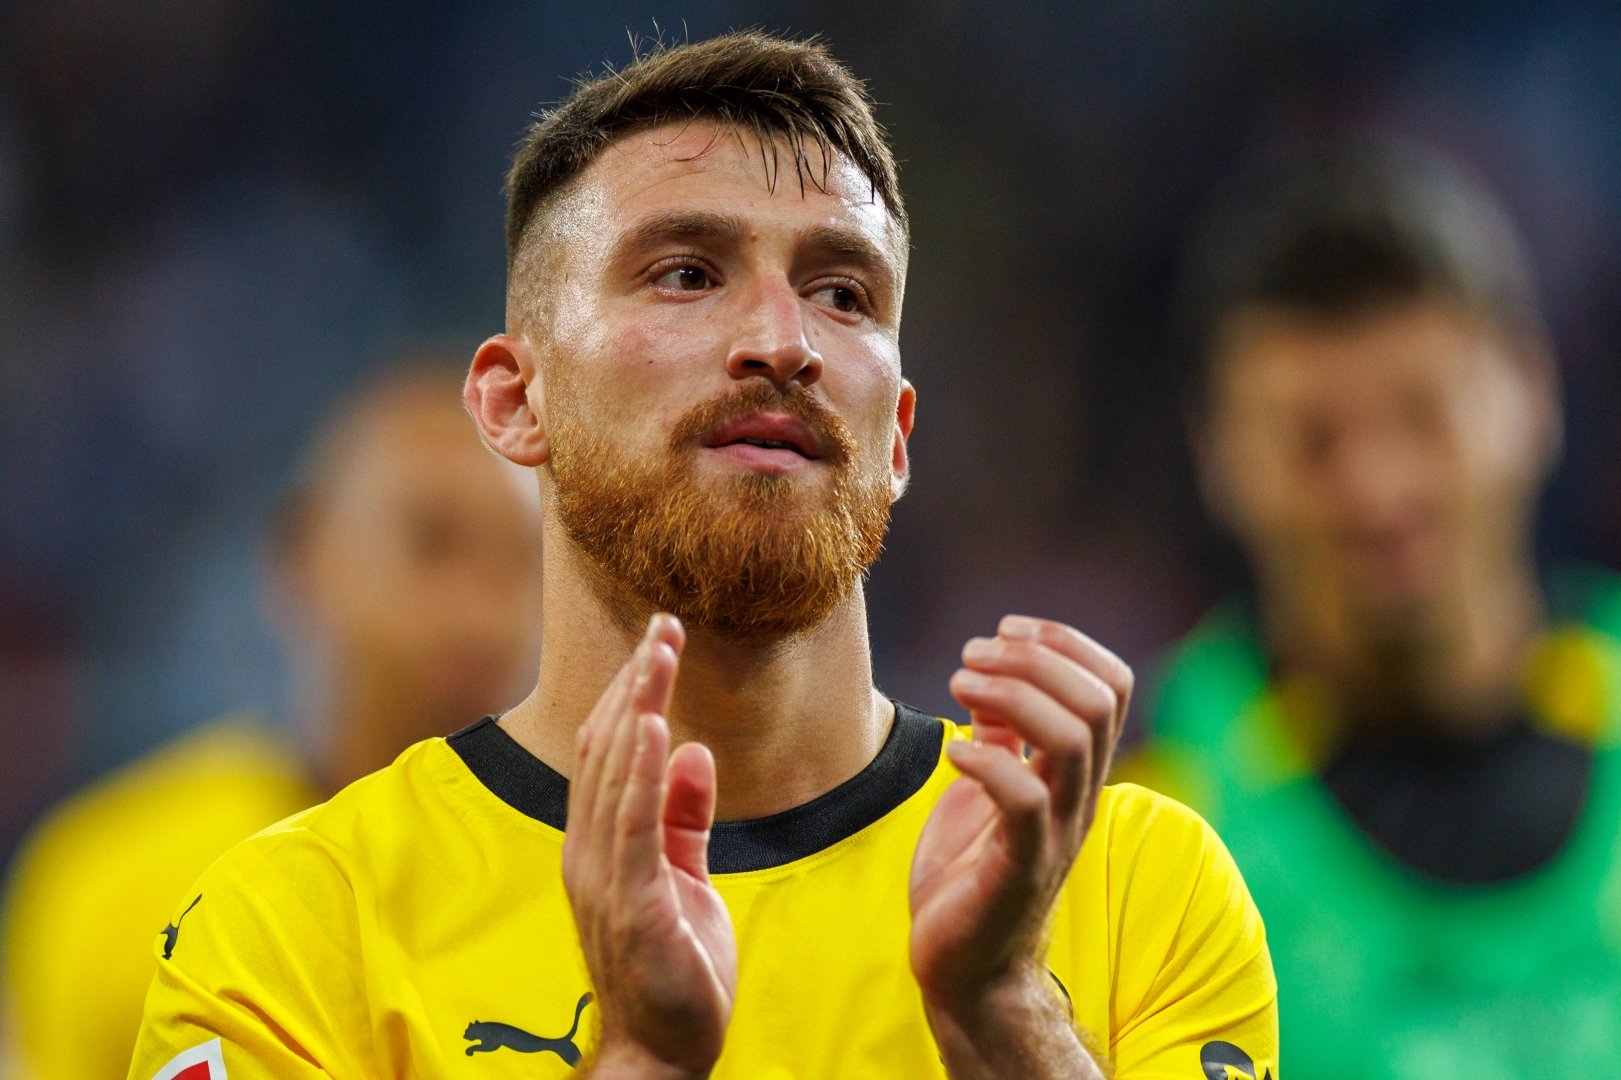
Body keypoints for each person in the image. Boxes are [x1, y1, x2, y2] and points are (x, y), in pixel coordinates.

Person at [129, 33, 1278, 1080]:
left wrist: (1006, 1015)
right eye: (685, 272)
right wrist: (640, 1062)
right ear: (516, 399)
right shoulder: (294, 927)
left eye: (841, 293)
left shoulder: (1129, 883)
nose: (782, 342)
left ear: (897, 439)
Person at [1117, 140, 1621, 1078]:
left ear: (1532, 393)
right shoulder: (1146, 823)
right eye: (1312, 440)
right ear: (1217, 451)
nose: (1377, 491)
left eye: (1426, 416)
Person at [1, 367, 544, 1080]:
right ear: (302, 557)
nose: (479, 610)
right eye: (433, 544)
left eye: (519, 562)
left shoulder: (591, 891)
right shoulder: (113, 873)